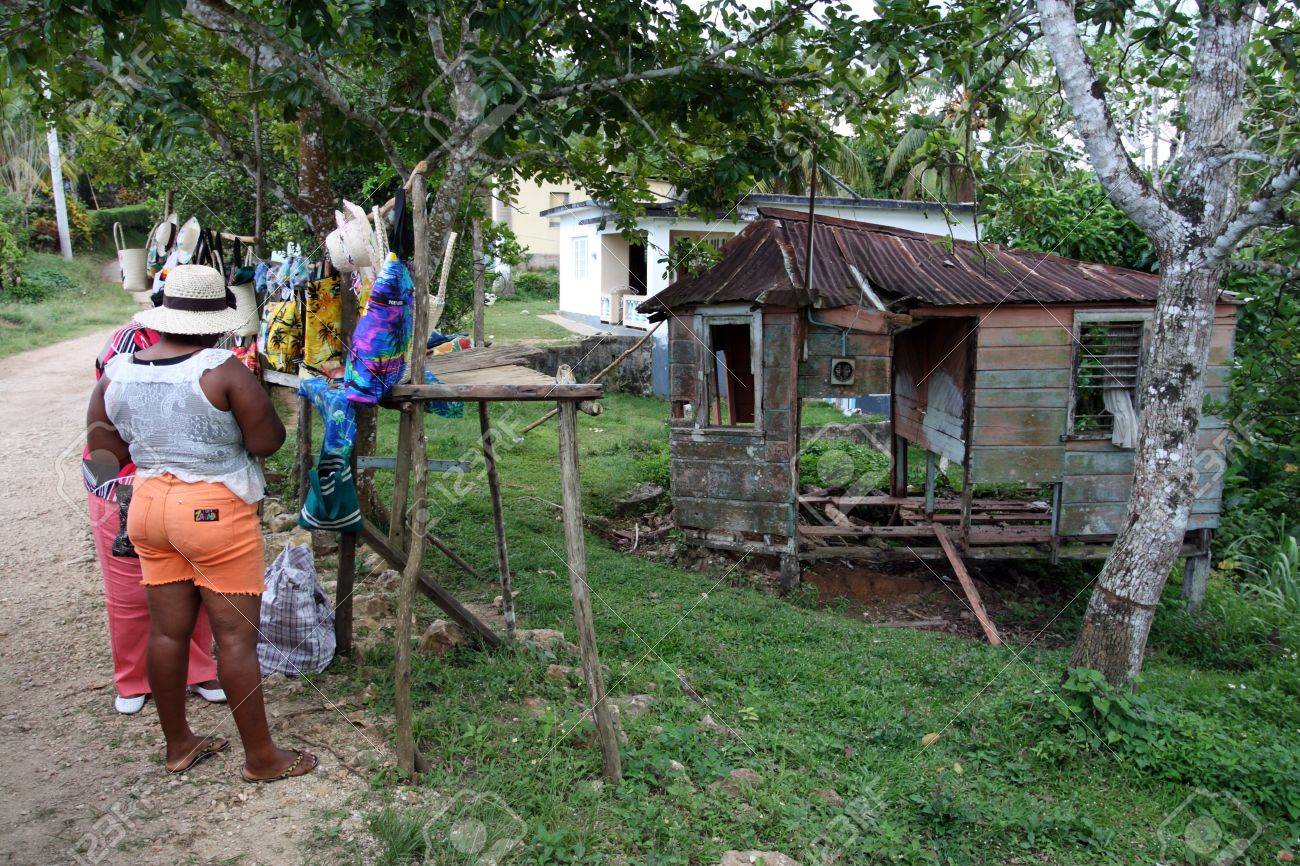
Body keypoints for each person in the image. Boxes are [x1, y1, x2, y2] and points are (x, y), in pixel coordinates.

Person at [85, 264, 317, 781]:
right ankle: (262, 758)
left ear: (164, 316)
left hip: (147, 508)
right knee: (234, 638)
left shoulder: (117, 371)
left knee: (167, 633)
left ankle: (179, 746)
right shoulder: (222, 370)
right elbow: (266, 442)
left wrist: (148, 455)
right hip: (214, 511)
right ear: (216, 323)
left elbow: (102, 453)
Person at [85, 319, 227, 715]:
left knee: (194, 578)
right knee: (129, 587)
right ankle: (134, 678)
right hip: (125, 478)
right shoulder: (130, 342)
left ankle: (197, 669)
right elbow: (110, 414)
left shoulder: (211, 345)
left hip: (186, 480)